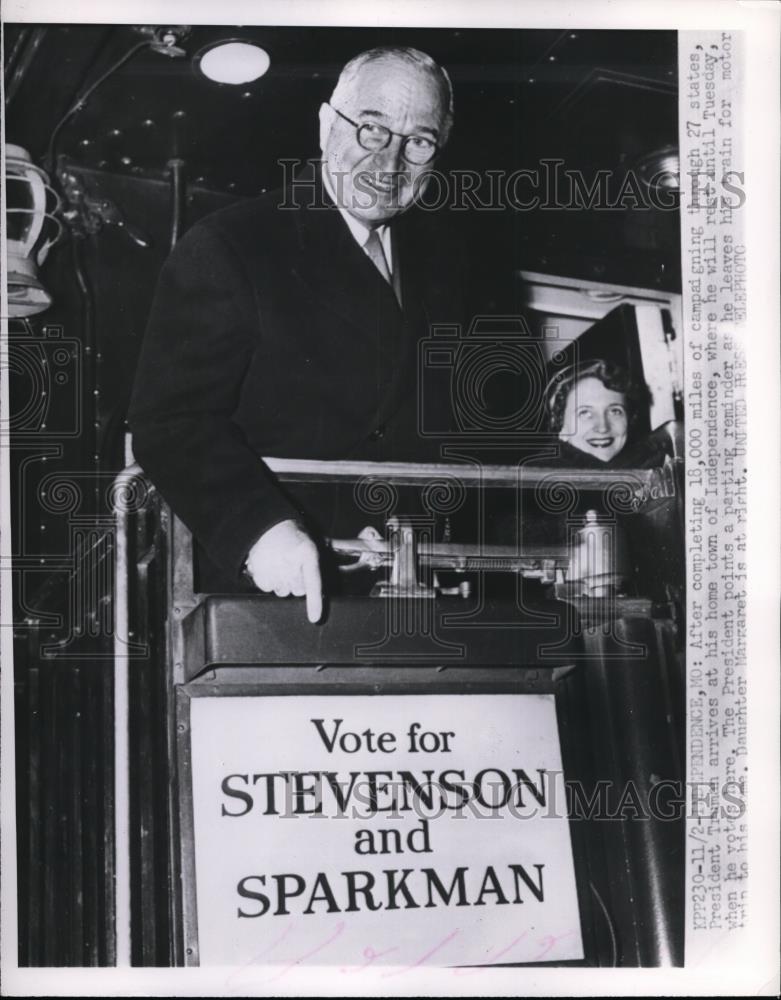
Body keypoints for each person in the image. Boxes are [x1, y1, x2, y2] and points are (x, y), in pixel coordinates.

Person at [128, 46, 466, 622]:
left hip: (407, 592)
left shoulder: (452, 272)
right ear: (325, 124)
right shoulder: (233, 245)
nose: (391, 163)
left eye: (419, 141)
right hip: (262, 597)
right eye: (371, 130)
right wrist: (262, 531)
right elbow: (170, 422)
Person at [546, 358, 664, 467]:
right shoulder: (537, 481)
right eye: (585, 413)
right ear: (560, 426)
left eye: (615, 411)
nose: (603, 427)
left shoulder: (650, 470)